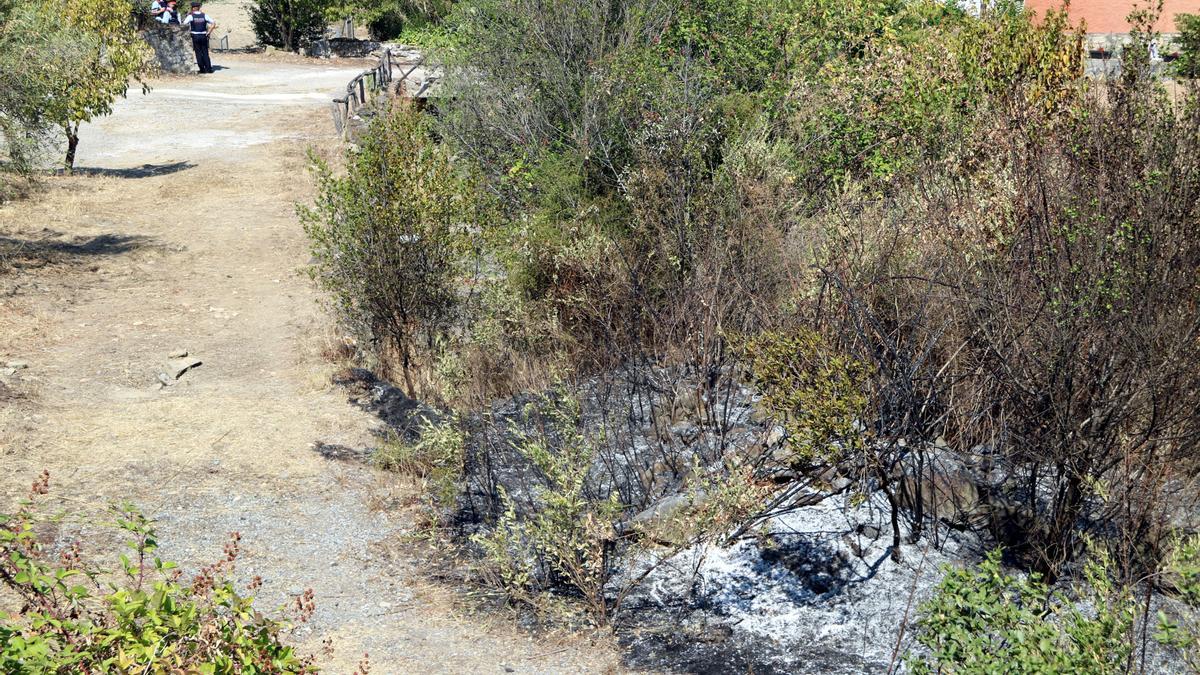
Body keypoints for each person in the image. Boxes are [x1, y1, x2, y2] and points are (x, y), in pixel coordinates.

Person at [182, 1, 216, 74]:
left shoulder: (191, 16)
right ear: (199, 7)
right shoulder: (204, 15)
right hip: (204, 35)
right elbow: (213, 23)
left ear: (193, 8)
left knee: (198, 52)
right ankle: (209, 69)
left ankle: (202, 69)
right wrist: (209, 32)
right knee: (205, 52)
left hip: (195, 36)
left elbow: (184, 24)